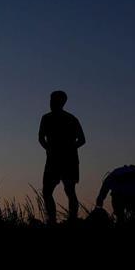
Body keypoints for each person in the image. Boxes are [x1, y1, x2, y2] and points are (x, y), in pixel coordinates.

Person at [38, 90, 86, 223]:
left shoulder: (70, 119)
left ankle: (70, 219)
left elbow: (82, 139)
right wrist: (49, 148)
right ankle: (54, 220)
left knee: (67, 190)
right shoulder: (48, 118)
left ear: (62, 102)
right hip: (58, 159)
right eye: (51, 100)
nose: (51, 103)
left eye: (54, 100)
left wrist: (66, 149)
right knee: (49, 191)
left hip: (65, 160)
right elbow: (41, 138)